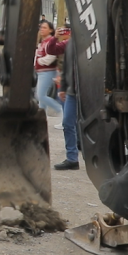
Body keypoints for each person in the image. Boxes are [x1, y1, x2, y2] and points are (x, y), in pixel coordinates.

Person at [55, 36, 79, 170]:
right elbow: (66, 66)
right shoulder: (70, 43)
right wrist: (63, 87)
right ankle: (72, 158)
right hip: (72, 91)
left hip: (89, 91)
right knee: (68, 123)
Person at [34, 20, 65, 118]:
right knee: (39, 96)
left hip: (47, 71)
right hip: (40, 72)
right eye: (41, 27)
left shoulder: (50, 41)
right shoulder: (42, 42)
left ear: (51, 30)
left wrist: (39, 61)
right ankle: (41, 116)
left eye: (44, 28)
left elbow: (51, 56)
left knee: (41, 95)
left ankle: (60, 109)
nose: (41, 30)